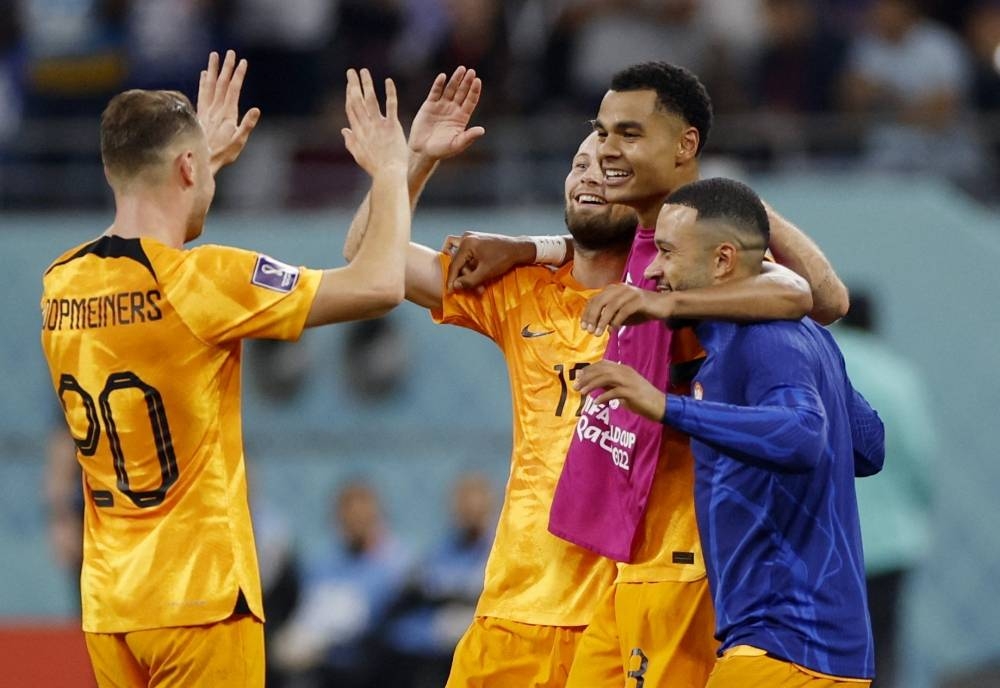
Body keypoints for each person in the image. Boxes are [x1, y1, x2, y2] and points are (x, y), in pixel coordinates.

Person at [345, 65, 820, 687]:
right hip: (516, 605)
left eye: (611, 165)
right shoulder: (514, 287)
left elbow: (816, 293)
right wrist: (416, 158)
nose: (593, 173)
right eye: (580, 164)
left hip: (631, 605)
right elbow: (366, 255)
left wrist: (712, 194)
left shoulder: (678, 292)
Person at [38, 50, 411, 687]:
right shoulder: (205, 279)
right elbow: (379, 284)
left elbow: (142, 257)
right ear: (187, 166)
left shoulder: (60, 284)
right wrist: (392, 169)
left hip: (110, 603)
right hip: (202, 599)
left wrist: (196, 168)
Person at [575, 176, 885, 687]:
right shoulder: (800, 337)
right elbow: (868, 445)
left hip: (785, 649)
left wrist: (662, 406)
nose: (652, 269)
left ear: (722, 261)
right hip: (806, 650)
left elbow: (803, 436)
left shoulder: (763, 339)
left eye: (669, 253)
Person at [831, 291, 936, 688]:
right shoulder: (899, 376)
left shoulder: (817, 361)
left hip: (828, 539)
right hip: (891, 543)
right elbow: (919, 456)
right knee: (883, 649)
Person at [272, 481, 412, 688]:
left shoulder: (396, 565)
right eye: (350, 517)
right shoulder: (323, 565)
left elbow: (374, 620)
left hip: (371, 669)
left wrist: (323, 641)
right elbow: (307, 614)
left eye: (363, 517)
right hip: (322, 670)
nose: (356, 523)